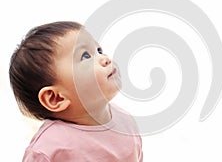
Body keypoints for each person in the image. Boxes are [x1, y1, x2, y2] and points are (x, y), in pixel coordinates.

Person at [9, 21, 143, 162]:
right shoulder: (49, 150)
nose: (105, 59)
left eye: (99, 51)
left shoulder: (125, 121)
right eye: (85, 56)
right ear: (56, 98)